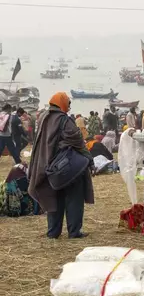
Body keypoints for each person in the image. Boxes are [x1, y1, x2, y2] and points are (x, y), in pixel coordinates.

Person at [28, 92, 94, 239]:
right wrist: (89, 159)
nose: (69, 107)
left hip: (48, 165)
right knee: (74, 198)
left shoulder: (43, 117)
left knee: (53, 198)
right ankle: (74, 232)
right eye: (68, 103)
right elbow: (77, 140)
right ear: (62, 103)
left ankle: (53, 232)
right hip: (67, 166)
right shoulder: (63, 119)